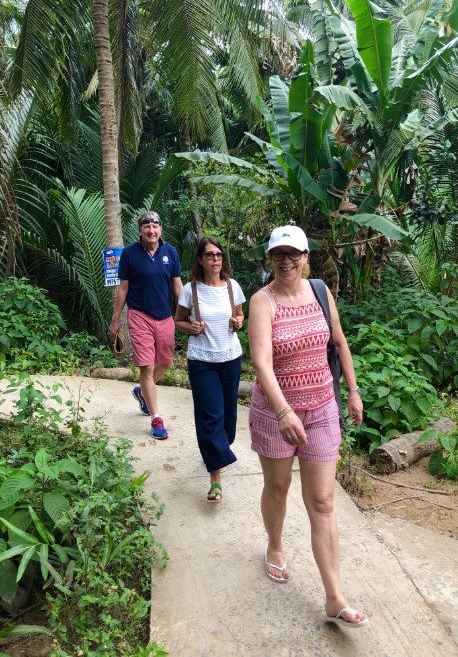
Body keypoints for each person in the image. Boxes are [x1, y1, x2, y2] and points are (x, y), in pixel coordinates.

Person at [247, 225, 368, 628]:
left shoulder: (320, 291)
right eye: (278, 254)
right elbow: (261, 362)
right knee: (278, 488)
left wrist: (351, 391)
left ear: (305, 256)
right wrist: (283, 412)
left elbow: (340, 342)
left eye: (293, 253)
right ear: (270, 258)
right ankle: (275, 545)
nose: (286, 261)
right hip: (275, 414)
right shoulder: (262, 302)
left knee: (322, 502)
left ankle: (334, 597)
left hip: (321, 410)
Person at [175, 237, 245, 502]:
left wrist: (238, 322)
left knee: (227, 419)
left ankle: (218, 449)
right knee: (209, 416)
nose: (215, 259)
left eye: (219, 255)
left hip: (230, 357)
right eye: (210, 255)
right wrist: (190, 328)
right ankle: (215, 479)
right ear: (201, 260)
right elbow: (178, 321)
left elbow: (240, 316)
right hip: (201, 360)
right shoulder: (190, 290)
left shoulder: (232, 287)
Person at [109, 212, 183, 439]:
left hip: (165, 317)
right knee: (147, 367)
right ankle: (156, 418)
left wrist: (191, 312)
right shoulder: (130, 254)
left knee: (166, 363)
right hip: (139, 315)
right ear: (140, 230)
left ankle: (142, 392)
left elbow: (178, 287)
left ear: (161, 230)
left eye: (155, 226)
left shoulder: (170, 252)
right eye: (147, 226)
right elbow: (123, 288)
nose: (151, 231)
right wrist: (115, 319)